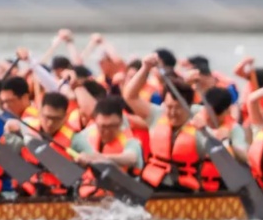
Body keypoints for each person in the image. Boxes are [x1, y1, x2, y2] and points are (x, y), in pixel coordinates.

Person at [123, 53, 212, 192]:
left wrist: (207, 133)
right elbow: (130, 96)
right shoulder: (157, 115)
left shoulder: (200, 120)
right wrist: (145, 68)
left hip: (184, 190)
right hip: (152, 183)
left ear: (189, 106)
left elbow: (219, 112)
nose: (173, 112)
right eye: (169, 107)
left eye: (178, 108)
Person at [70, 96, 144, 198]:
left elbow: (131, 158)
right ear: (95, 121)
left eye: (112, 126)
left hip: (120, 199)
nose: (107, 131)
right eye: (102, 126)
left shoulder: (132, 142)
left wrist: (100, 158)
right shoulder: (86, 134)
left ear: (121, 122)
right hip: (88, 196)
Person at [3, 91, 75, 197]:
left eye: (56, 119)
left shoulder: (75, 139)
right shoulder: (25, 126)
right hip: (26, 191)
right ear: (40, 113)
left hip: (57, 195)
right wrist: (8, 134)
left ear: (65, 117)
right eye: (47, 117)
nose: (50, 123)